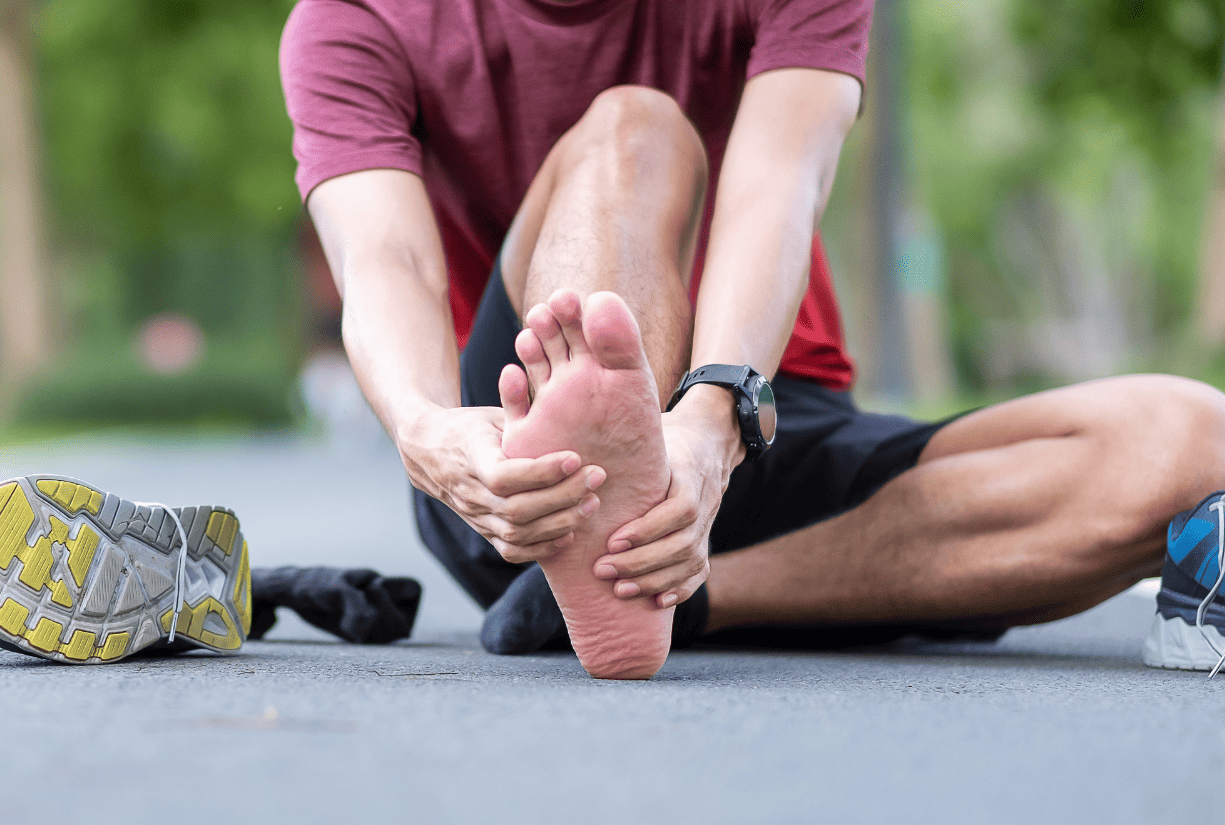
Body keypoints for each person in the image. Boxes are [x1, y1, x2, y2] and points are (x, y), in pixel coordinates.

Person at [280, 0, 1225, 678]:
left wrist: (707, 425)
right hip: (517, 475)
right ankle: (605, 503)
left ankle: (689, 594)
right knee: (638, 128)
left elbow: (781, 181)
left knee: (1192, 443)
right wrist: (424, 428)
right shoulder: (351, 20)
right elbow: (385, 262)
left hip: (759, 412)